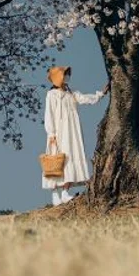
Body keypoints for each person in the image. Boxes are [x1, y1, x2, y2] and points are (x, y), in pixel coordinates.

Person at [42, 65, 109, 206]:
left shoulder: (71, 93)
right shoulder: (52, 95)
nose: (67, 77)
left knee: (71, 156)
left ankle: (66, 192)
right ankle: (55, 194)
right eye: (64, 74)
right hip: (58, 133)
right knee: (55, 160)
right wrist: (51, 133)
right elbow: (49, 115)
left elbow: (85, 99)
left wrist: (100, 94)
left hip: (72, 131)